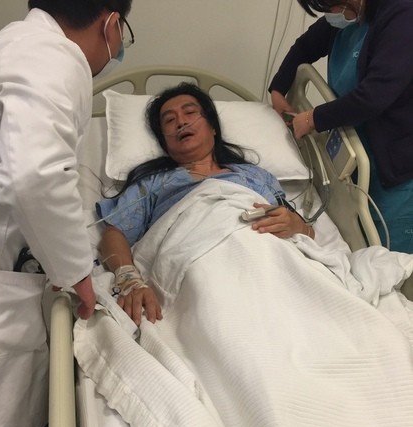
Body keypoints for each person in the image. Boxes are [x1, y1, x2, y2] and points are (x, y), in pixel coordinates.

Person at [0, 0, 133, 427]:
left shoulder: (15, 43)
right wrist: (78, 274)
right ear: (111, 24)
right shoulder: (58, 59)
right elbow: (34, 176)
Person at [97, 82, 315, 326]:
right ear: (165, 141)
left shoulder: (256, 176)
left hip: (263, 258)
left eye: (190, 113)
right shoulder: (153, 183)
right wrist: (129, 281)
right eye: (169, 120)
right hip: (194, 263)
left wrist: (297, 225)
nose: (181, 122)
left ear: (213, 127)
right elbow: (114, 234)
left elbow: (304, 230)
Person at [268, 0, 413, 254]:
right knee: (363, 248)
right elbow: (304, 47)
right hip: (360, 151)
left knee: (393, 261)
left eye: (329, 6)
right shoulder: (348, 16)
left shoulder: (403, 15)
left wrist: (312, 118)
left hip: (399, 164)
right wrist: (278, 88)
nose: (329, 15)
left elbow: (374, 95)